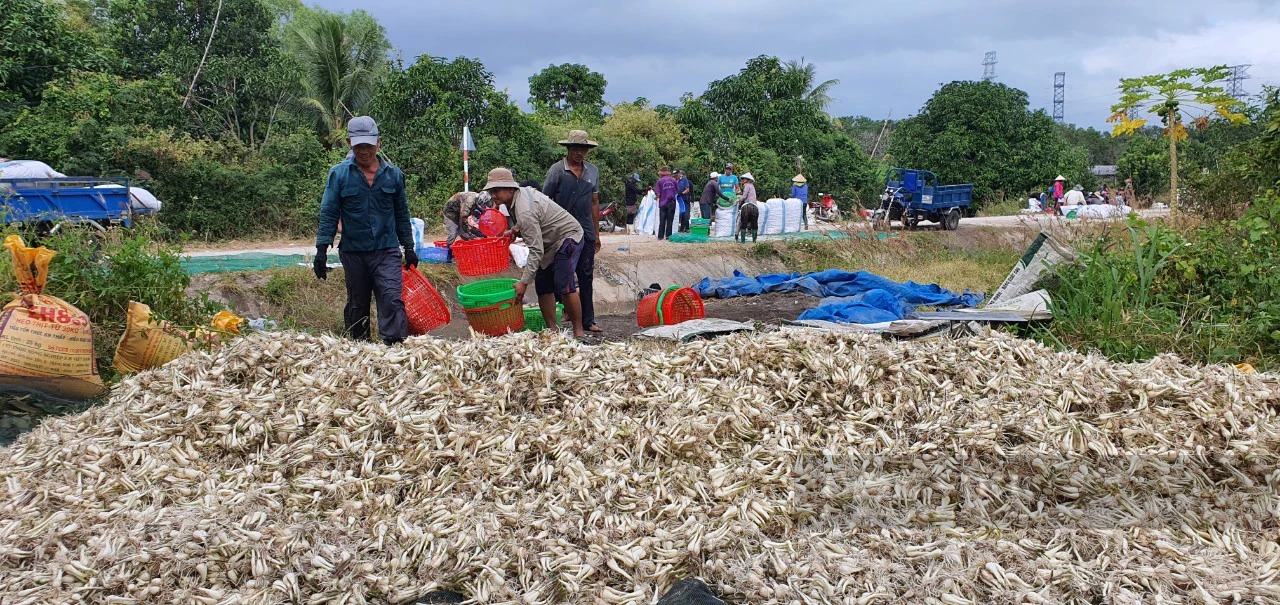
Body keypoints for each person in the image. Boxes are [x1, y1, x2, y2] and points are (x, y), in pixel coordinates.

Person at [314, 116, 415, 346]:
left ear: (379, 143)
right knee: (357, 303)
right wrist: (321, 250)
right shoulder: (338, 175)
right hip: (353, 252)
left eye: (368, 145)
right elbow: (329, 212)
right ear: (349, 143)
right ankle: (360, 350)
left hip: (386, 250)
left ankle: (395, 349)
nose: (364, 150)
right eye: (358, 145)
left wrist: (409, 247)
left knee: (391, 299)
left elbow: (402, 214)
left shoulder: (394, 175)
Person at [483, 167, 586, 339]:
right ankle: (553, 333)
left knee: (564, 285)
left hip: (566, 237)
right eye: (491, 191)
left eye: (496, 191)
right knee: (543, 286)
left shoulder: (524, 211)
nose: (493, 195)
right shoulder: (515, 198)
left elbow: (535, 250)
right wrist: (515, 229)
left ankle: (579, 332)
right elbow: (534, 224)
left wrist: (523, 283)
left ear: (510, 189)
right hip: (547, 241)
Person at [542, 129, 604, 334]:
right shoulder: (557, 170)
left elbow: (594, 203)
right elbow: (545, 200)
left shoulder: (592, 171)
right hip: (562, 230)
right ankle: (567, 311)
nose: (580, 153)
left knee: (585, 274)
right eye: (576, 149)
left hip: (585, 228)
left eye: (583, 149)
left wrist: (596, 234)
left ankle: (588, 320)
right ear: (569, 149)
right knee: (562, 273)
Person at [654, 166, 679, 240]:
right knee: (670, 220)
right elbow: (677, 190)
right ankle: (668, 236)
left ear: (661, 174)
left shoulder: (659, 181)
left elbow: (658, 193)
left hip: (663, 203)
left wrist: (656, 197)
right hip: (671, 203)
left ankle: (660, 236)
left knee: (662, 220)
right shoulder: (673, 180)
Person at [737, 173, 760, 243]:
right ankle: (754, 241)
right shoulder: (752, 186)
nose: (743, 180)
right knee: (754, 224)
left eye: (744, 179)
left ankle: (743, 241)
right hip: (754, 206)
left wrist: (738, 200)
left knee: (744, 223)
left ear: (747, 180)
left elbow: (744, 197)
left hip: (747, 205)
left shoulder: (746, 186)